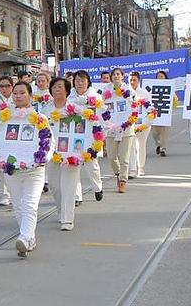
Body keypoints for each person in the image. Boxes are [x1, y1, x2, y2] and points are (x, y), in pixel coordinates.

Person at [3, 81, 47, 256]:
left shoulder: (40, 118)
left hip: (34, 170)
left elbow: (48, 142)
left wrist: (43, 158)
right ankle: (29, 238)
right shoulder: (4, 118)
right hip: (12, 169)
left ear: (30, 95)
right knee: (18, 205)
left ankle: (24, 236)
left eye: (22, 93)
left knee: (30, 204)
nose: (18, 96)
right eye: (15, 93)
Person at [46, 77, 81, 230]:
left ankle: (68, 219)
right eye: (54, 87)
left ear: (67, 90)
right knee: (54, 185)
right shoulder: (45, 109)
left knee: (69, 185)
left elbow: (84, 127)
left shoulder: (75, 108)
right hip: (51, 152)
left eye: (60, 87)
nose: (57, 89)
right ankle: (61, 210)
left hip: (71, 153)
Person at [69, 70, 104, 203]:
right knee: (74, 165)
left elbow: (102, 117)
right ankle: (77, 196)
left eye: (83, 81)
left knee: (92, 165)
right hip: (74, 134)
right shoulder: (69, 98)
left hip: (90, 135)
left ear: (88, 82)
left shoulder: (96, 98)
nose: (80, 83)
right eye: (77, 81)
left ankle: (98, 187)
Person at [104, 67, 135, 193]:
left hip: (126, 130)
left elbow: (134, 107)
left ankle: (123, 180)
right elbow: (101, 107)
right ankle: (117, 173)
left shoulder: (129, 90)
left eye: (118, 74)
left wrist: (128, 121)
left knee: (124, 158)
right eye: (114, 74)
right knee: (111, 156)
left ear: (122, 76)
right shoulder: (106, 90)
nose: (116, 76)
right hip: (111, 129)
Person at [0, 76, 15, 207]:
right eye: (1, 86)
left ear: (12, 86)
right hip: (0, 136)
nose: (4, 89)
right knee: (1, 166)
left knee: (14, 164)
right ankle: (5, 193)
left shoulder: (17, 98)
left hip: (15, 136)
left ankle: (13, 193)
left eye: (7, 86)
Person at [128, 71, 153, 178]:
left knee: (140, 146)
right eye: (130, 80)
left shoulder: (144, 93)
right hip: (130, 124)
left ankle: (141, 167)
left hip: (143, 124)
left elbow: (150, 108)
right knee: (131, 147)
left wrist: (146, 122)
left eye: (134, 80)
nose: (132, 82)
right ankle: (132, 169)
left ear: (139, 80)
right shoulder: (125, 92)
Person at [152, 70, 172, 157]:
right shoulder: (152, 87)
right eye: (158, 76)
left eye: (161, 76)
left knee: (164, 132)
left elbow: (174, 101)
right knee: (155, 133)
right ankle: (158, 144)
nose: (160, 78)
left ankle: (163, 148)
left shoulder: (170, 88)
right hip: (155, 114)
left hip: (165, 113)